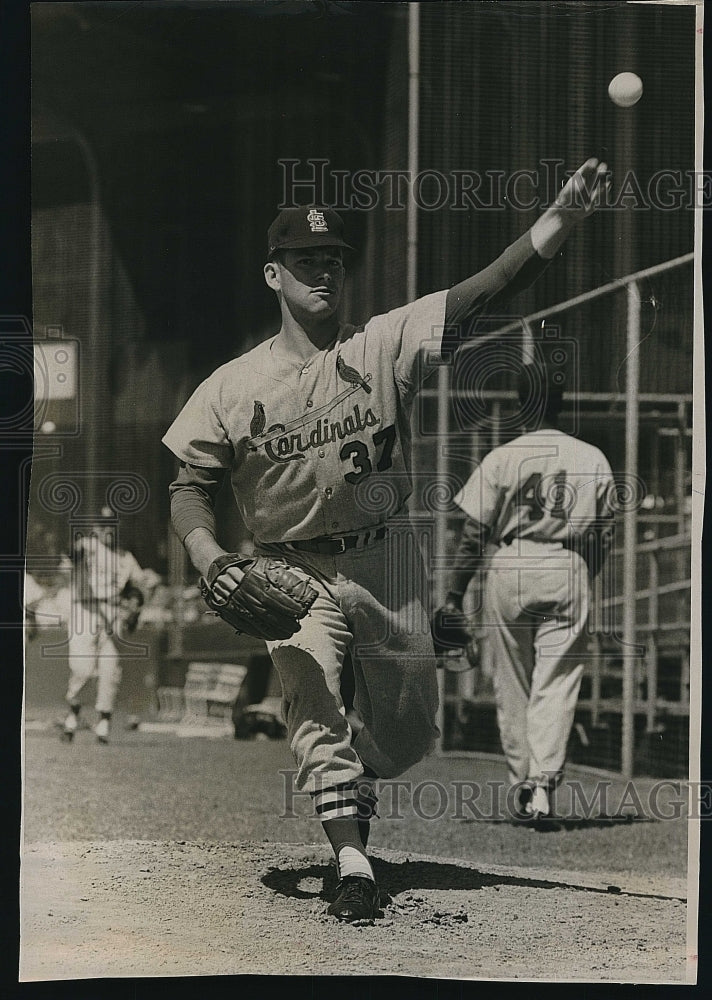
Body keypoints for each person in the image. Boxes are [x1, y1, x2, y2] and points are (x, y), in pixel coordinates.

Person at [163, 158, 609, 920]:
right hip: (289, 567)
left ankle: (351, 776)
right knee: (313, 706)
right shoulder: (231, 386)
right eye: (306, 261)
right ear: (274, 276)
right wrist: (209, 555)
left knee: (407, 739)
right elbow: (189, 487)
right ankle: (353, 859)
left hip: (387, 556)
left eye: (334, 259)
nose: (324, 271)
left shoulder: (382, 345)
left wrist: (557, 223)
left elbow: (485, 292)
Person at [435, 362, 615, 821]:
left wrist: (454, 595)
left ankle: (521, 785)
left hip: (512, 561)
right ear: (561, 403)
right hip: (567, 559)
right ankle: (543, 786)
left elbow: (473, 534)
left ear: (519, 405)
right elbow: (605, 534)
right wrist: (582, 575)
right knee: (557, 682)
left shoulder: (503, 456)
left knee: (512, 682)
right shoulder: (591, 456)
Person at [62, 512, 146, 745]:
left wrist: (135, 607)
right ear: (95, 528)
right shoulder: (88, 546)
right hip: (85, 611)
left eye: (111, 525)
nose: (107, 530)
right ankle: (73, 708)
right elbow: (71, 555)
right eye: (102, 525)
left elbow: (139, 588)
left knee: (110, 671)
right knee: (83, 670)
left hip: (113, 612)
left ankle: (103, 723)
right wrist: (77, 548)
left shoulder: (124, 557)